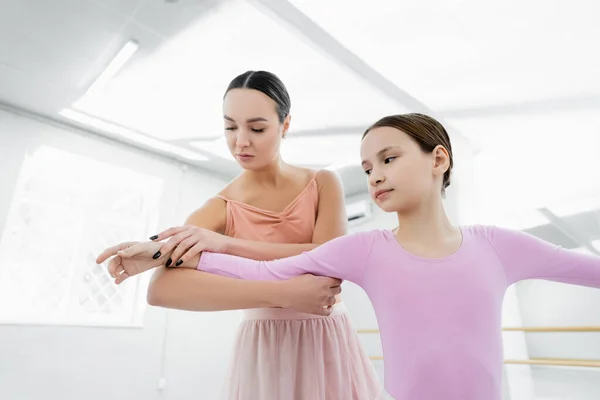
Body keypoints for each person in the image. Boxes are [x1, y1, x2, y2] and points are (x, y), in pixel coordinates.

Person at [115, 113, 600, 400]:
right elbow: (264, 270)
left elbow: (589, 270)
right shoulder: (364, 250)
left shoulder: (499, 245)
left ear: (438, 159)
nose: (374, 176)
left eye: (389, 159)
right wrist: (162, 252)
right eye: (368, 167)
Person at [97, 71, 383, 400]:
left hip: (328, 339)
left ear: (285, 124)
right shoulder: (218, 208)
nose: (240, 142)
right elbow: (162, 289)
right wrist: (282, 295)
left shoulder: (323, 183)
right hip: (265, 347)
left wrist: (226, 245)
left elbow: (330, 261)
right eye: (230, 127)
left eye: (256, 128)